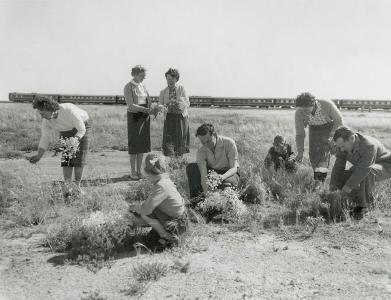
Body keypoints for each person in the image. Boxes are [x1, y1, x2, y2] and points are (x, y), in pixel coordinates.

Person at [29, 95, 90, 195]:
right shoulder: (46, 121)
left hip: (82, 127)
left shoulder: (68, 110)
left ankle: (77, 187)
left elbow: (81, 129)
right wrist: (39, 155)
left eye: (43, 113)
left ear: (51, 109)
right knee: (67, 158)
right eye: (40, 114)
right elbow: (45, 138)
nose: (42, 116)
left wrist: (75, 140)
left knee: (79, 158)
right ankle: (67, 188)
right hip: (65, 130)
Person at [329, 126, 391, 219]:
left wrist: (345, 191)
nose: (341, 150)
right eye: (339, 147)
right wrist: (333, 190)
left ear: (352, 138)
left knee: (366, 174)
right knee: (347, 175)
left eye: (343, 146)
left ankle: (363, 207)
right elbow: (338, 168)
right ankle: (350, 202)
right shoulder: (342, 145)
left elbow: (363, 170)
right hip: (366, 165)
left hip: (385, 165)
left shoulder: (369, 146)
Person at [129, 153, 188, 248]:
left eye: (147, 174)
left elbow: (146, 210)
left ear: (149, 172)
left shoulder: (161, 185)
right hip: (180, 219)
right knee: (147, 208)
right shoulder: (164, 180)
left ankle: (166, 236)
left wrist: (134, 207)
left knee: (144, 213)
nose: (147, 177)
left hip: (176, 224)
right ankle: (163, 233)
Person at [295, 92, 343, 181]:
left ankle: (321, 180)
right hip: (314, 129)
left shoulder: (326, 105)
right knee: (313, 154)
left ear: (313, 104)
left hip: (330, 128)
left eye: (306, 110)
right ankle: (318, 178)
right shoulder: (299, 112)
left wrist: (332, 136)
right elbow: (300, 134)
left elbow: (339, 120)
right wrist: (300, 151)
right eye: (302, 110)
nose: (304, 112)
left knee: (324, 154)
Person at [186, 123, 240, 202]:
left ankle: (229, 194)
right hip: (213, 173)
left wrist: (222, 177)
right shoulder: (201, 151)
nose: (206, 145)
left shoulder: (229, 143)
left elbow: (234, 168)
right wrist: (207, 195)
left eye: (208, 141)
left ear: (214, 134)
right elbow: (203, 176)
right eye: (203, 143)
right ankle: (197, 200)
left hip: (229, 172)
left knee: (226, 193)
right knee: (191, 168)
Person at [124, 65, 151, 180]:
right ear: (134, 74)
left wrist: (153, 108)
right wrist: (145, 109)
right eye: (141, 76)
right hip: (134, 117)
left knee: (142, 145)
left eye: (144, 76)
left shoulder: (143, 86)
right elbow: (130, 105)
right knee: (134, 145)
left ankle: (139, 171)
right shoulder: (128, 86)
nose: (144, 78)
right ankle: (133, 172)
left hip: (144, 117)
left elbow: (148, 101)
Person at [159, 68, 190, 156]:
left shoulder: (182, 89)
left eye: (172, 79)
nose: (170, 81)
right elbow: (160, 105)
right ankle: (170, 163)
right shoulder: (163, 92)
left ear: (176, 79)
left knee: (180, 141)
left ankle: (179, 162)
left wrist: (180, 105)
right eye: (168, 79)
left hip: (181, 118)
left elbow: (187, 102)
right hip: (169, 118)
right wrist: (163, 107)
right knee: (169, 142)